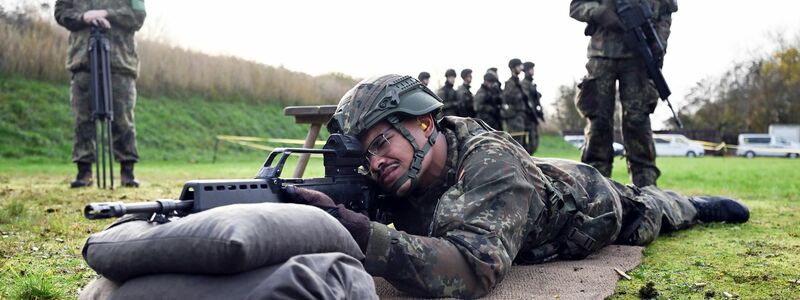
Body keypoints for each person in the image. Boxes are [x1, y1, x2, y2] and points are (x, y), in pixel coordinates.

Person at [288, 74, 749, 298]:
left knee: (648, 211)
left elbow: (472, 268)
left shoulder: (492, 163)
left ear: (426, 123)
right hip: (531, 179)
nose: (376, 161)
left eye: (383, 141)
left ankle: (691, 204)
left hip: (586, 206)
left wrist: (364, 235)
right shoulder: (394, 174)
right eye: (364, 154)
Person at [570, 0, 678, 187]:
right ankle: (594, 187)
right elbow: (576, 6)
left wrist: (658, 43)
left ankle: (645, 189)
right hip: (602, 55)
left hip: (639, 56)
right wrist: (598, 12)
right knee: (599, 122)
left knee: (638, 121)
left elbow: (666, 13)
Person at [55, 0, 146, 188]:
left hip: (120, 62)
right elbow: (61, 12)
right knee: (83, 120)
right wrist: (84, 17)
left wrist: (106, 13)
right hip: (83, 61)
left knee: (123, 119)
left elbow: (138, 16)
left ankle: (127, 172)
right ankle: (84, 172)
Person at [501, 58, 531, 151]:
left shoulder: (520, 83)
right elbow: (506, 98)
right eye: (518, 66)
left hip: (521, 116)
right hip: (514, 117)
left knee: (523, 144)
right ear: (513, 68)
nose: (521, 68)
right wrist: (519, 96)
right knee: (516, 143)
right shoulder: (510, 83)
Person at [520, 61, 544, 154]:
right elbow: (526, 100)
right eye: (531, 69)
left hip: (533, 117)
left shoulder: (531, 84)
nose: (532, 71)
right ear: (526, 71)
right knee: (530, 143)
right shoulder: (524, 84)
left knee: (534, 142)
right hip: (528, 118)